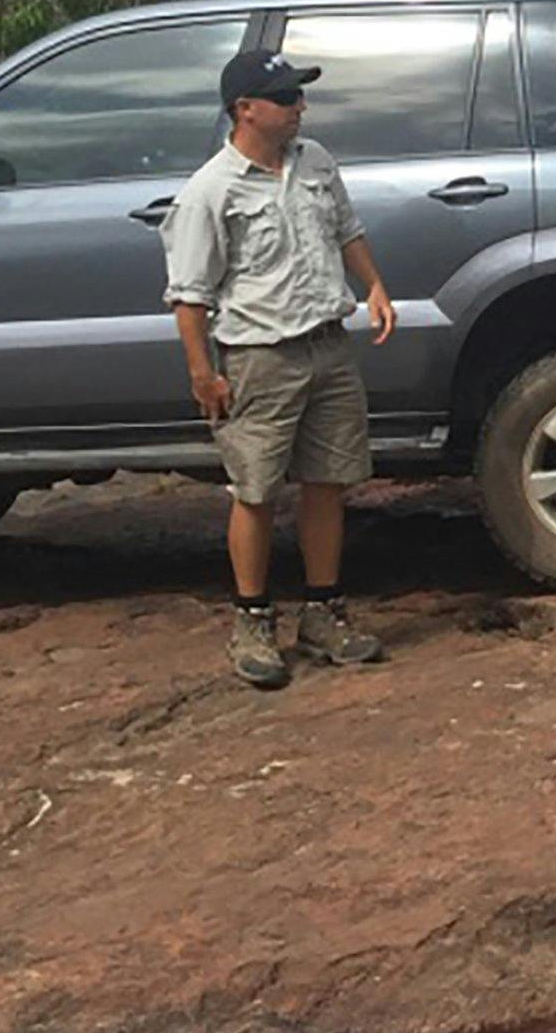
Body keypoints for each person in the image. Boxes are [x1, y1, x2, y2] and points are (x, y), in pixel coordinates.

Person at [161, 48, 398, 690]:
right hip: (261, 355)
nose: (300, 107)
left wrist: (374, 286)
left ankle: (323, 612)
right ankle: (252, 618)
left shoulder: (314, 161)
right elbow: (190, 296)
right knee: (257, 488)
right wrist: (203, 373)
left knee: (329, 480)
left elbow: (347, 229)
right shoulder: (210, 191)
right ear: (246, 110)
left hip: (328, 345)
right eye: (287, 97)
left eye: (299, 94)